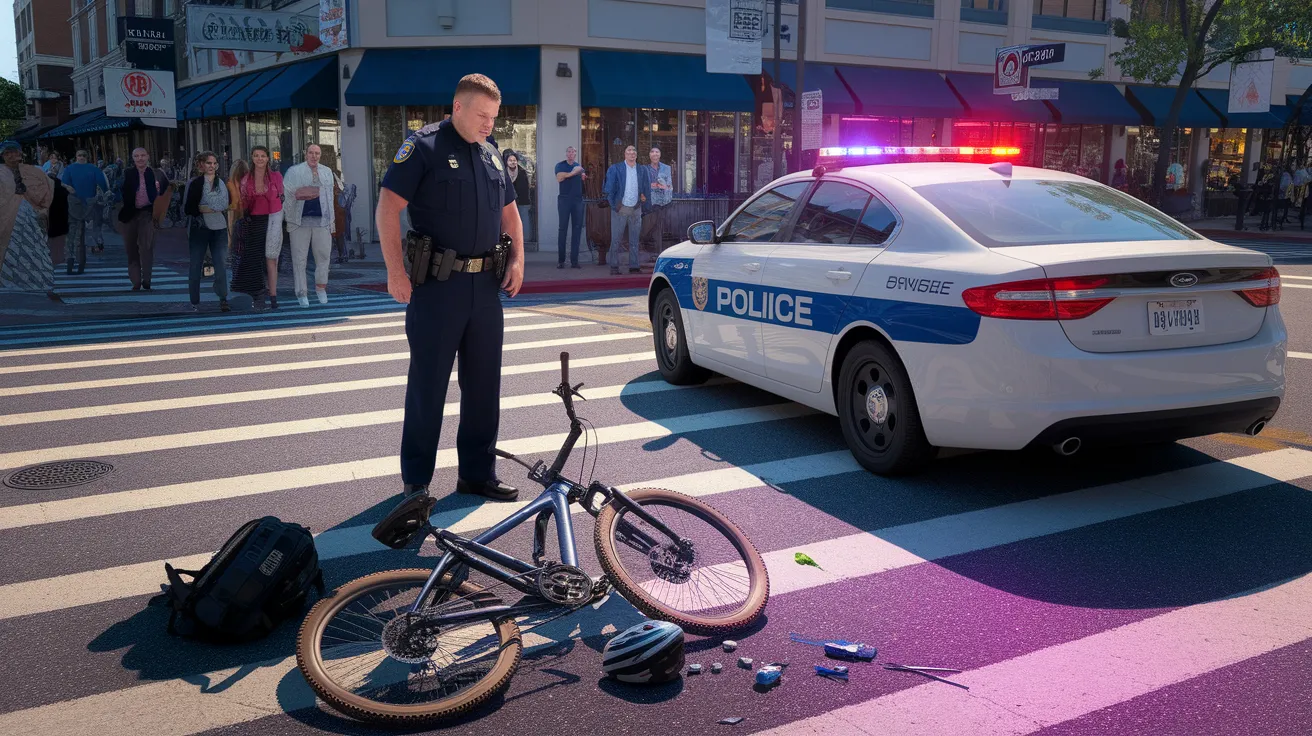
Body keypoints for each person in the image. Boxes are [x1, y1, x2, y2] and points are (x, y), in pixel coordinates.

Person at [375, 72, 525, 502]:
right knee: (429, 387)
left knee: (483, 388)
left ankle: (476, 474)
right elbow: (388, 208)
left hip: (485, 290)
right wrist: (394, 272)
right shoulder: (423, 147)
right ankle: (416, 483)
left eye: (494, 118)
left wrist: (516, 259)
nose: (488, 125)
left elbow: (510, 216)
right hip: (438, 289)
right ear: (458, 107)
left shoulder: (492, 155)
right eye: (482, 115)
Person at [283, 143, 337, 307]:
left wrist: (332, 222)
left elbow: (330, 198)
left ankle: (321, 288)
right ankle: (301, 292)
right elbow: (290, 194)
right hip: (299, 221)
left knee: (324, 257)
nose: (314, 156)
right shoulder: (294, 171)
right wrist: (309, 192)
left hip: (323, 221)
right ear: (306, 154)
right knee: (299, 259)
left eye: (317, 153)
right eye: (311, 153)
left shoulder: (327, 172)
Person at [0, 140, 54, 292]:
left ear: (20, 153)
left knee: (34, 249)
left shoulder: (35, 171)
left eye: (13, 152)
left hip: (30, 215)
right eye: (7, 153)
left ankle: (36, 280)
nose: (11, 156)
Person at [230, 147, 281, 305]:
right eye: (256, 156)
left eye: (263, 156)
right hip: (253, 221)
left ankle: (273, 296)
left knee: (271, 259)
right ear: (252, 158)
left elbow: (280, 197)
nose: (260, 159)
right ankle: (258, 292)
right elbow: (243, 204)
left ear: (267, 159)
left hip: (272, 219)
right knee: (254, 258)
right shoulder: (246, 179)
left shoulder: (275, 176)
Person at [182, 151, 231, 313]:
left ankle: (223, 298)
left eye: (214, 163)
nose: (212, 166)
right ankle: (194, 301)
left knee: (221, 264)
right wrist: (207, 208)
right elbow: (188, 207)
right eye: (208, 163)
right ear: (201, 165)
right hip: (199, 227)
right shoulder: (194, 183)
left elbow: (224, 204)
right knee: (196, 264)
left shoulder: (221, 183)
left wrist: (206, 207)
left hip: (219, 227)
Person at [117, 147, 171, 291]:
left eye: (142, 155)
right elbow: (118, 189)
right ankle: (136, 281)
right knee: (131, 248)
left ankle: (146, 279)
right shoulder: (127, 173)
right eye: (136, 156)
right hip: (130, 214)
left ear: (148, 157)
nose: (140, 158)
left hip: (147, 213)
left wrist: (161, 206)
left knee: (147, 246)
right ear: (133, 158)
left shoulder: (157, 173)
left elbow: (168, 191)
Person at [60, 149, 111, 274]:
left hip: (88, 205)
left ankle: (80, 264)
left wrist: (103, 196)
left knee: (81, 237)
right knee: (72, 236)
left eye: (83, 155)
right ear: (76, 157)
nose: (81, 157)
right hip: (74, 204)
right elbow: (63, 183)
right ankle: (70, 264)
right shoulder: (69, 169)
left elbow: (104, 186)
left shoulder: (93, 169)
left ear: (86, 157)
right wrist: (67, 187)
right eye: (79, 155)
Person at [602, 145, 650, 275]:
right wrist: (614, 206)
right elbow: (608, 189)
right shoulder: (616, 168)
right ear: (625, 154)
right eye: (629, 151)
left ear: (636, 154)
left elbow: (645, 188)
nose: (632, 153)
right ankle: (614, 266)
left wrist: (643, 202)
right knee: (616, 239)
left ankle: (634, 266)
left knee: (634, 239)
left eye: (634, 151)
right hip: (621, 208)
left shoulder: (641, 170)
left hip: (635, 208)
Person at [555, 146, 586, 269]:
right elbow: (559, 177)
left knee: (577, 230)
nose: (571, 154)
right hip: (564, 200)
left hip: (577, 201)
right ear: (566, 153)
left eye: (573, 152)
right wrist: (574, 172)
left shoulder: (579, 166)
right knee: (562, 229)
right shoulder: (560, 165)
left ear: (575, 154)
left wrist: (581, 176)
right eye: (569, 151)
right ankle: (561, 260)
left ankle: (574, 261)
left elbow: (582, 177)